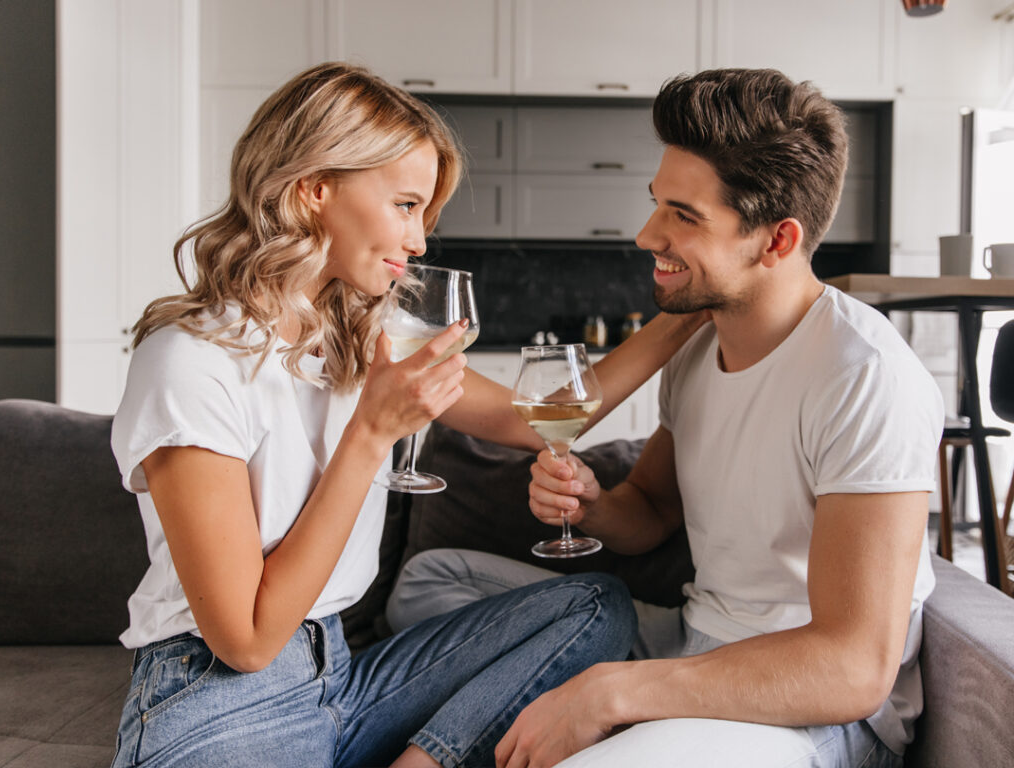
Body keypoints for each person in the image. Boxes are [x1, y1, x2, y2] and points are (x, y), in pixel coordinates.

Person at [108, 62, 707, 768]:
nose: (420, 240)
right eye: (404, 205)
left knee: (594, 608)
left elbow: (528, 421)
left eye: (425, 213)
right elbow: (246, 639)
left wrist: (691, 305)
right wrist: (371, 433)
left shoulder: (364, 337)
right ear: (313, 190)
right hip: (218, 696)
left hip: (337, 676)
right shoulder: (189, 362)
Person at [386, 68, 944, 768]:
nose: (647, 234)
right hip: (689, 640)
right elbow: (648, 511)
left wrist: (609, 693)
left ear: (775, 241)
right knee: (431, 581)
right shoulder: (698, 346)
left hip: (808, 709)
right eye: (657, 204)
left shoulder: (864, 377)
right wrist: (591, 505)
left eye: (684, 214)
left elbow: (853, 669)